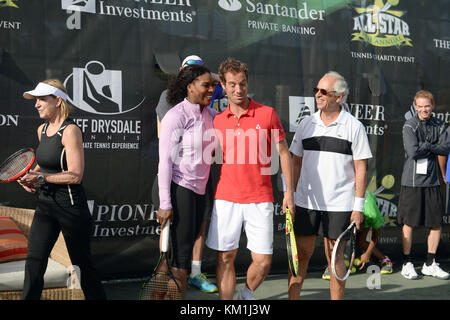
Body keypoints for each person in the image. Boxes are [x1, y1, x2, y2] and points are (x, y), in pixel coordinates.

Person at [205, 58, 295, 300]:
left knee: (263, 261)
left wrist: (289, 193)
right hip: (226, 198)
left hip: (260, 198)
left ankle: (245, 294)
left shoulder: (267, 115)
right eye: (232, 84)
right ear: (222, 85)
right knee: (225, 258)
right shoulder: (216, 120)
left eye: (242, 84)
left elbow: (283, 153)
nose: (238, 89)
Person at [18, 79, 106, 300]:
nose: (36, 104)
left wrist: (40, 178)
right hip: (45, 206)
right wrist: (29, 178)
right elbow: (44, 165)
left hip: (71, 208)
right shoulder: (42, 129)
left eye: (41, 100)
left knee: (82, 266)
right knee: (34, 263)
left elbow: (75, 175)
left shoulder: (71, 130)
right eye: (35, 100)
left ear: (58, 101)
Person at [288, 71, 372, 300]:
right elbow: (295, 163)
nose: (318, 94)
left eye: (324, 91)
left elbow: (361, 169)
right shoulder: (306, 124)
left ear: (340, 97)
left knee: (334, 259)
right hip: (306, 202)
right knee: (301, 255)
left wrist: (358, 207)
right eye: (317, 89)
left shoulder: (354, 127)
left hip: (340, 204)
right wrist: (291, 196)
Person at [153, 55, 220, 293]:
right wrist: (165, 203)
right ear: (189, 87)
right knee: (180, 261)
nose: (212, 89)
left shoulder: (211, 115)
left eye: (213, 85)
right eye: (206, 85)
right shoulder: (176, 115)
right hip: (177, 188)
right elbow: (165, 162)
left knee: (172, 258)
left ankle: (158, 296)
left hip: (199, 191)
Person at [398, 90, 450, 280]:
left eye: (427, 106)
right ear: (415, 106)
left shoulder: (440, 124)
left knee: (436, 224)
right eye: (420, 106)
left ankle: (430, 264)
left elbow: (445, 148)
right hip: (412, 183)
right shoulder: (409, 125)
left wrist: (427, 146)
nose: (423, 109)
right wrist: (432, 147)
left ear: (432, 106)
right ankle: (406, 263)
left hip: (433, 182)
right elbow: (413, 152)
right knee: (409, 224)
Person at [322, 191, 392, 280]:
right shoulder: (345, 212)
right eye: (356, 226)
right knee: (336, 239)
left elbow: (375, 236)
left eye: (360, 226)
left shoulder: (372, 215)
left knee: (361, 242)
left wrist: (367, 254)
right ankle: (332, 265)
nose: (358, 229)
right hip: (348, 209)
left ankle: (385, 260)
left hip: (366, 208)